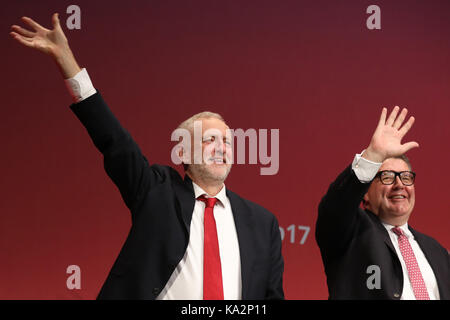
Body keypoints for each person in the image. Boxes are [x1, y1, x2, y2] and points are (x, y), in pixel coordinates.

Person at [10, 13, 284, 300]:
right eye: (209, 139)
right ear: (182, 151)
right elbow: (115, 141)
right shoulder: (156, 192)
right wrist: (66, 60)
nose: (221, 147)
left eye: (227, 141)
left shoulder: (262, 222)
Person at [316, 106, 450, 299]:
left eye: (406, 177)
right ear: (365, 194)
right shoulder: (350, 233)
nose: (399, 185)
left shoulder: (437, 251)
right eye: (387, 177)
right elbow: (335, 209)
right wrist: (373, 156)